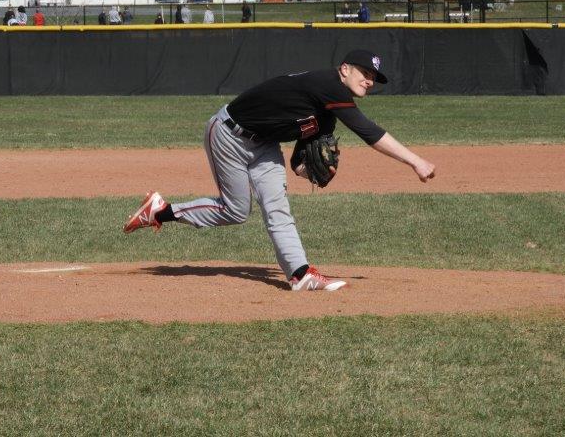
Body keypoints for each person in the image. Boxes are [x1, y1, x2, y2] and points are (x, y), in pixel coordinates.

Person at [123, 49, 436, 291]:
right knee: (236, 211)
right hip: (229, 133)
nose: (369, 80)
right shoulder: (329, 85)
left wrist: (308, 169)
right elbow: (368, 131)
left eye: (373, 77)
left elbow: (299, 159)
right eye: (365, 73)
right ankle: (160, 211)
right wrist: (415, 161)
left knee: (277, 207)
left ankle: (300, 275)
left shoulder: (328, 113)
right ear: (344, 69)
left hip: (265, 145)